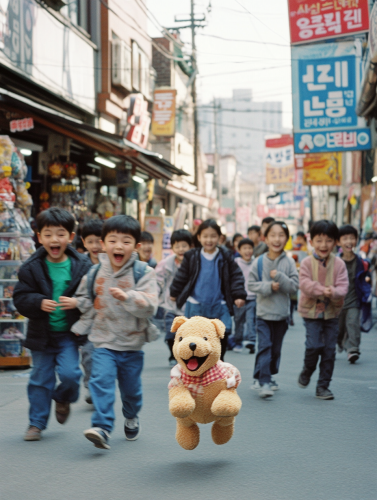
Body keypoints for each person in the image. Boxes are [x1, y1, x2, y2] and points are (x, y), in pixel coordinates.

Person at [72, 215, 158, 450]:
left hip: (132, 345)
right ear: (103, 243)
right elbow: (86, 298)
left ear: (137, 246)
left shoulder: (143, 272)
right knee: (100, 382)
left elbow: (151, 304)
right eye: (113, 240)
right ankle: (102, 427)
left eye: (126, 241)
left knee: (131, 391)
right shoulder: (94, 273)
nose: (119, 246)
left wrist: (129, 296)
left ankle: (131, 416)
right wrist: (74, 303)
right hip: (103, 342)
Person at [13, 208, 92, 441]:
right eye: (48, 234)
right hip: (41, 335)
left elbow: (92, 297)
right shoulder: (30, 267)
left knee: (70, 375)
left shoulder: (82, 265)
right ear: (39, 237)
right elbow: (20, 298)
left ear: (71, 236)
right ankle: (36, 423)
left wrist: (77, 302)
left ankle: (63, 397)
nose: (54, 240)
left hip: (68, 334)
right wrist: (37, 302)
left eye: (60, 234)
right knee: (40, 378)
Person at [170, 219, 246, 361]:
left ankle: (218, 363)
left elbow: (236, 276)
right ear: (199, 237)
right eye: (205, 236)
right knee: (195, 338)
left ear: (219, 238)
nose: (209, 240)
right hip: (196, 304)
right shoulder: (192, 256)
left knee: (221, 334)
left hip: (219, 304)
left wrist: (239, 295)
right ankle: (198, 369)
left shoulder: (225, 256)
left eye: (213, 236)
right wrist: (174, 292)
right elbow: (182, 276)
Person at [297, 220, 348, 400]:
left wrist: (332, 292)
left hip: (332, 312)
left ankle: (323, 386)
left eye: (328, 240)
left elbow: (343, 287)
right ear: (311, 242)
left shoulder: (340, 264)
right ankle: (308, 370)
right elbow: (304, 284)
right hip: (311, 312)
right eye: (319, 240)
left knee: (329, 350)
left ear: (336, 242)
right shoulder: (306, 263)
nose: (323, 245)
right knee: (313, 346)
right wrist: (321, 290)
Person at [248, 221, 299, 399]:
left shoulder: (289, 262)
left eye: (281, 235)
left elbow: (294, 287)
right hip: (263, 314)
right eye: (273, 235)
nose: (277, 239)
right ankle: (264, 381)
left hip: (282, 315)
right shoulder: (258, 261)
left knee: (275, 350)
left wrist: (279, 277)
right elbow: (251, 284)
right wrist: (269, 286)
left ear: (286, 239)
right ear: (266, 238)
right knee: (265, 346)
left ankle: (264, 375)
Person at [155, 229, 192, 366]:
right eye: (177, 246)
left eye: (184, 245)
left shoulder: (194, 262)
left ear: (190, 246)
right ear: (172, 247)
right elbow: (157, 280)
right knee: (171, 333)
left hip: (189, 305)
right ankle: (174, 353)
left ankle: (185, 356)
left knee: (187, 335)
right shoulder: (166, 264)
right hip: (169, 305)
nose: (180, 249)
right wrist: (154, 295)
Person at [337, 224, 371, 364]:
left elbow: (365, 280)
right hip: (337, 302)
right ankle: (340, 342)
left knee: (353, 324)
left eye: (352, 238)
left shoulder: (361, 262)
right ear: (338, 242)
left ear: (356, 240)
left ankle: (353, 349)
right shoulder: (335, 262)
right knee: (339, 329)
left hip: (354, 301)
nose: (349, 242)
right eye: (345, 238)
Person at [80, 219, 104, 404]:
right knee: (88, 355)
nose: (95, 246)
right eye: (90, 241)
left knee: (105, 359)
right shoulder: (80, 264)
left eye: (99, 240)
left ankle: (100, 387)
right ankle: (90, 385)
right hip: (88, 320)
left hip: (110, 321)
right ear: (83, 242)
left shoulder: (112, 261)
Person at [234, 238, 256, 354]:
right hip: (239, 298)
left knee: (250, 319)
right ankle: (238, 341)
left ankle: (251, 341)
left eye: (250, 248)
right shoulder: (236, 262)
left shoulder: (256, 262)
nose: (248, 251)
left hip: (252, 297)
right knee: (238, 320)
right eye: (244, 248)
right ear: (239, 250)